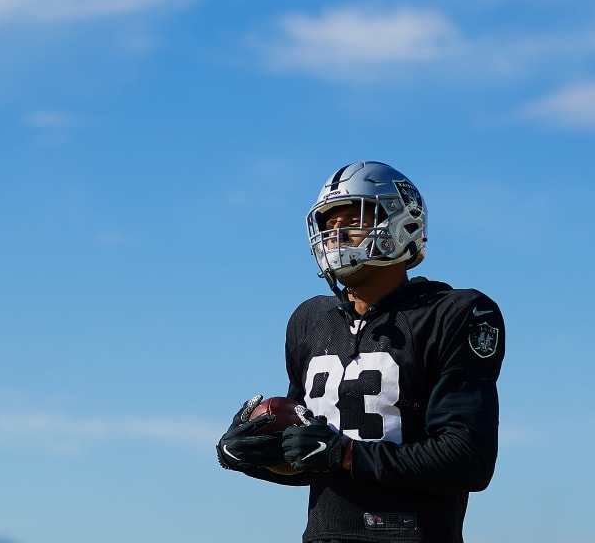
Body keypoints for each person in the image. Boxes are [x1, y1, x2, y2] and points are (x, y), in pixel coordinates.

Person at [216, 161, 505, 543]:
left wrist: (346, 454)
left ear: (402, 225)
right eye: (328, 225)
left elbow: (468, 459)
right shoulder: (309, 321)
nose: (335, 235)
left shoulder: (453, 313)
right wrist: (251, 456)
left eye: (352, 219)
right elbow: (312, 457)